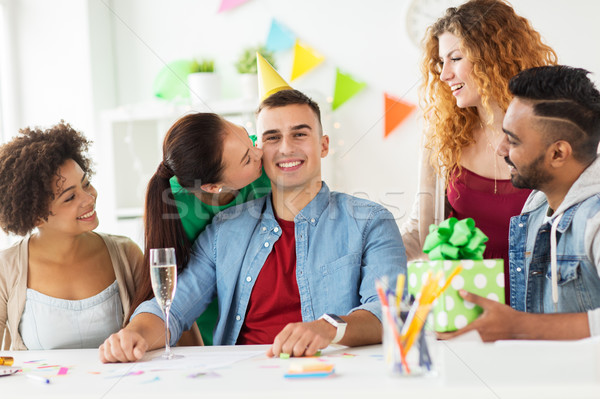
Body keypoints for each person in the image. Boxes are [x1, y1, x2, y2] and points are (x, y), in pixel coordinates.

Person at [99, 89, 406, 362]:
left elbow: (389, 312)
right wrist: (135, 334)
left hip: (329, 379)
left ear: (323, 145)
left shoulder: (371, 221)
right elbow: (174, 309)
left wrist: (329, 328)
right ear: (261, 149)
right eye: (272, 137)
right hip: (242, 383)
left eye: (299, 134)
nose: (285, 148)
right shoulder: (224, 230)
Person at [400, 0, 557, 302]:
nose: (444, 74)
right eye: (441, 63)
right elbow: (422, 229)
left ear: (493, 57)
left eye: (455, 58)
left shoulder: (554, 129)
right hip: (467, 309)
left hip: (542, 306)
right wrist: (369, 246)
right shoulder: (442, 136)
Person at [440, 65, 600, 341]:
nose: (501, 149)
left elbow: (524, 325)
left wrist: (519, 325)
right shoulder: (535, 211)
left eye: (512, 140)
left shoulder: (594, 220)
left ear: (558, 152)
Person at [0, 122, 144, 350]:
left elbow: (162, 331)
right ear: (36, 216)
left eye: (86, 184)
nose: (89, 198)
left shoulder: (127, 253)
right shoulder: (6, 268)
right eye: (70, 197)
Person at [129, 112, 269, 346]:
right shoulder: (174, 206)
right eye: (247, 159)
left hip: (261, 304)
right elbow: (186, 290)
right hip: (206, 313)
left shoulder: (255, 158)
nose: (259, 152)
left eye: (248, 137)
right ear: (213, 187)